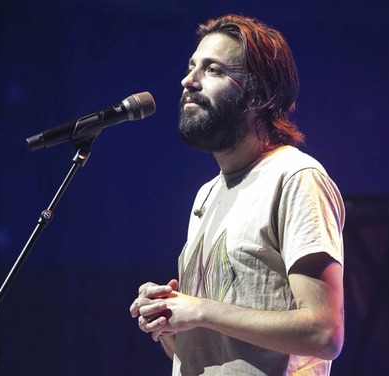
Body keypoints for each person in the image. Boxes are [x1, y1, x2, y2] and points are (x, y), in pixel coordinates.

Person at [129, 14, 345, 376]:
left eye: (212, 70)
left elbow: (324, 334)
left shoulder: (295, 178)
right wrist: (167, 320)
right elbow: (215, 351)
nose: (188, 81)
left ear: (258, 93)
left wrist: (199, 309)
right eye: (191, 66)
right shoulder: (207, 195)